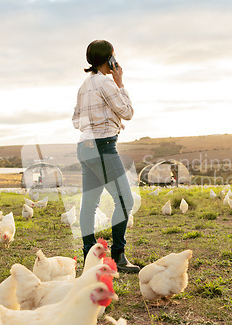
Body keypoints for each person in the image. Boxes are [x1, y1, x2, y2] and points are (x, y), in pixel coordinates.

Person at [72, 40, 139, 273]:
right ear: (109, 59)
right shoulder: (107, 84)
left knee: (89, 204)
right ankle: (119, 256)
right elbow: (128, 112)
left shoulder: (84, 86)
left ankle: (90, 256)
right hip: (103, 147)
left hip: (84, 146)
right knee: (125, 200)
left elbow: (75, 121)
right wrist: (120, 84)